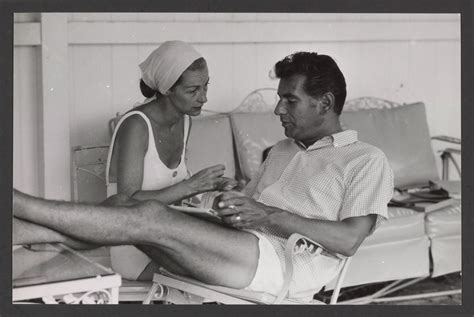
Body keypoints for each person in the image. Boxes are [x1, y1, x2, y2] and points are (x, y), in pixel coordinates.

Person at [13, 51, 393, 301]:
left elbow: (348, 240)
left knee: (146, 216)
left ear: (324, 103)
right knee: (129, 212)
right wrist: (231, 198)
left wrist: (268, 216)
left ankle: (18, 204)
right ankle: (25, 230)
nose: (278, 109)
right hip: (242, 245)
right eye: (280, 98)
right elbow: (254, 206)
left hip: (285, 265)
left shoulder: (364, 160)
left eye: (289, 100)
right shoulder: (282, 150)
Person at [106, 41, 237, 280]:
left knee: (232, 259)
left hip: (169, 236)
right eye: (193, 90)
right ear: (168, 89)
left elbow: (176, 183)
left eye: (206, 86)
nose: (204, 97)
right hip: (135, 246)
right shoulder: (136, 126)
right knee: (220, 273)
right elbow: (126, 202)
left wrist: (210, 185)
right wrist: (191, 186)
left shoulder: (185, 120)